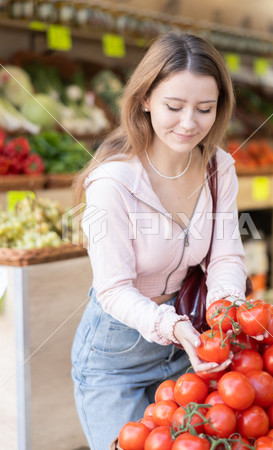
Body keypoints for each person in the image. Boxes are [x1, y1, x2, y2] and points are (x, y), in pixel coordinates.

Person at [71, 31, 248, 449]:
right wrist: (170, 325)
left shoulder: (219, 167)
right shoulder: (112, 183)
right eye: (174, 106)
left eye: (205, 108)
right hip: (116, 357)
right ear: (145, 99)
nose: (189, 123)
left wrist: (224, 312)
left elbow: (225, 256)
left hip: (188, 349)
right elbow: (112, 289)